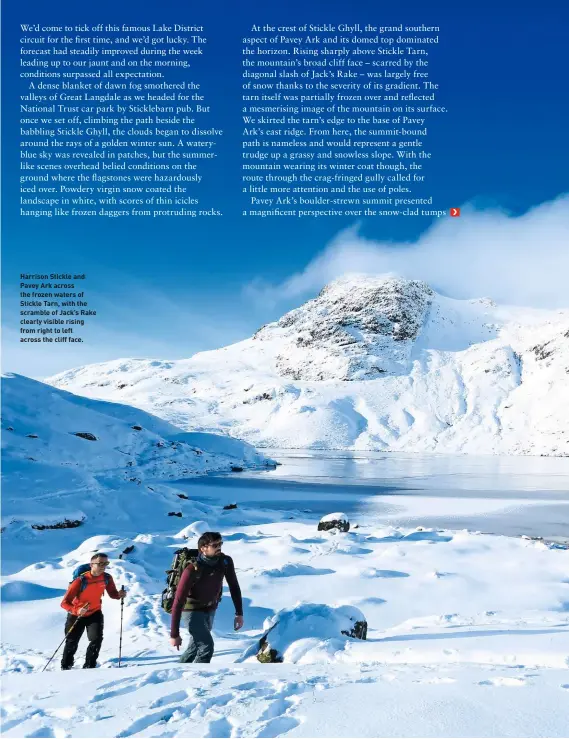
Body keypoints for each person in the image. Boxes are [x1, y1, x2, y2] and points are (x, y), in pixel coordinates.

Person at [169, 531, 244, 663]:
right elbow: (178, 600)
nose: (219, 547)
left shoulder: (225, 562)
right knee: (206, 647)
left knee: (194, 648)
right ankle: (198, 678)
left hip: (210, 608)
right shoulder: (192, 570)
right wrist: (174, 634)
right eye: (215, 545)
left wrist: (239, 613)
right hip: (191, 611)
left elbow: (234, 587)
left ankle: (177, 673)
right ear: (203, 548)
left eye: (220, 543)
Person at [60, 552, 126, 670]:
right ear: (91, 564)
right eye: (100, 563)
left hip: (95, 612)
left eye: (106, 563)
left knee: (96, 639)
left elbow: (113, 594)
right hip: (76, 615)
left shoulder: (106, 578)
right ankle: (66, 667)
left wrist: (119, 595)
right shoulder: (80, 581)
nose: (103, 566)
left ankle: (89, 667)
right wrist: (77, 610)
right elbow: (64, 603)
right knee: (71, 641)